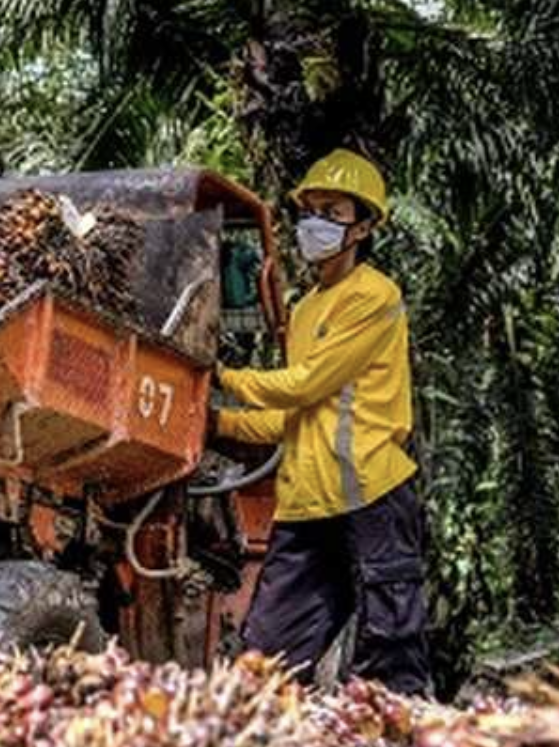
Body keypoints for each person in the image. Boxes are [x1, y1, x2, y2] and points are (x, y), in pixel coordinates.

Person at [213, 149, 430, 694]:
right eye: (310, 210)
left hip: (371, 497)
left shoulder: (375, 297)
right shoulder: (305, 307)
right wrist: (217, 423)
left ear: (361, 227)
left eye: (331, 210)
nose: (315, 222)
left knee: (389, 657)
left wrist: (225, 377)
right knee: (263, 668)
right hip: (307, 503)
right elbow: (292, 415)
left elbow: (308, 383)